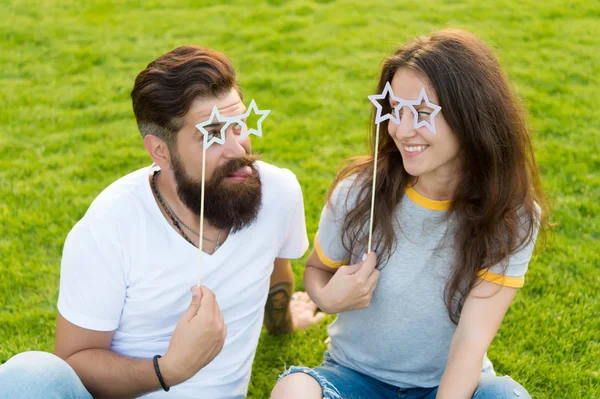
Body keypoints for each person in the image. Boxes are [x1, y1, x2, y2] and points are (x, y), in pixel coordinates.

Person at [0, 46, 323, 399]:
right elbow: (72, 362)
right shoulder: (110, 225)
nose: (237, 149)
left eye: (239, 125)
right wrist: (169, 369)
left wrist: (284, 321)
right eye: (212, 134)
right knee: (26, 376)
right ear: (160, 151)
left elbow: (277, 271)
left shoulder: (276, 192)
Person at [272, 29, 548, 399]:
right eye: (395, 110)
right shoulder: (358, 192)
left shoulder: (511, 215)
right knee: (293, 390)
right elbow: (318, 272)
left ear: (471, 115)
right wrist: (329, 299)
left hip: (450, 384)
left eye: (420, 113)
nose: (401, 129)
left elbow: (471, 341)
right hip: (353, 377)